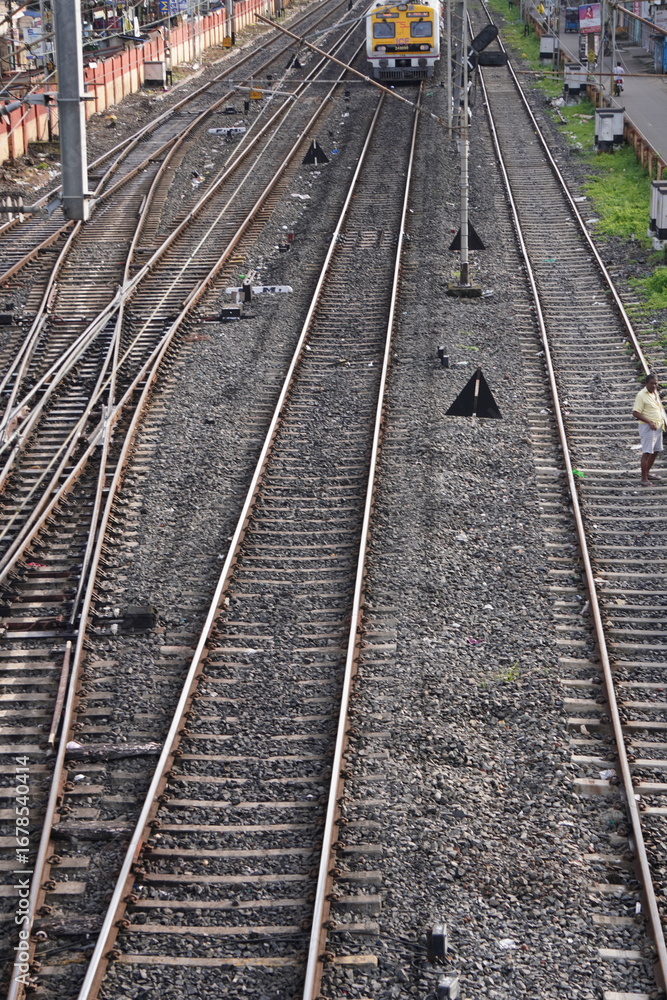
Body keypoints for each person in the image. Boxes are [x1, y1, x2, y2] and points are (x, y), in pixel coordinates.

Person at [632, 373, 666, 485]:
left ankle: (647, 473)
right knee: (647, 452)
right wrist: (649, 422)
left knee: (655, 451)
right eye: (651, 383)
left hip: (658, 426)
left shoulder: (654, 393)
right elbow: (635, 412)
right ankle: (643, 478)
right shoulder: (641, 395)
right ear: (646, 383)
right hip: (648, 427)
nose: (654, 386)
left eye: (655, 383)